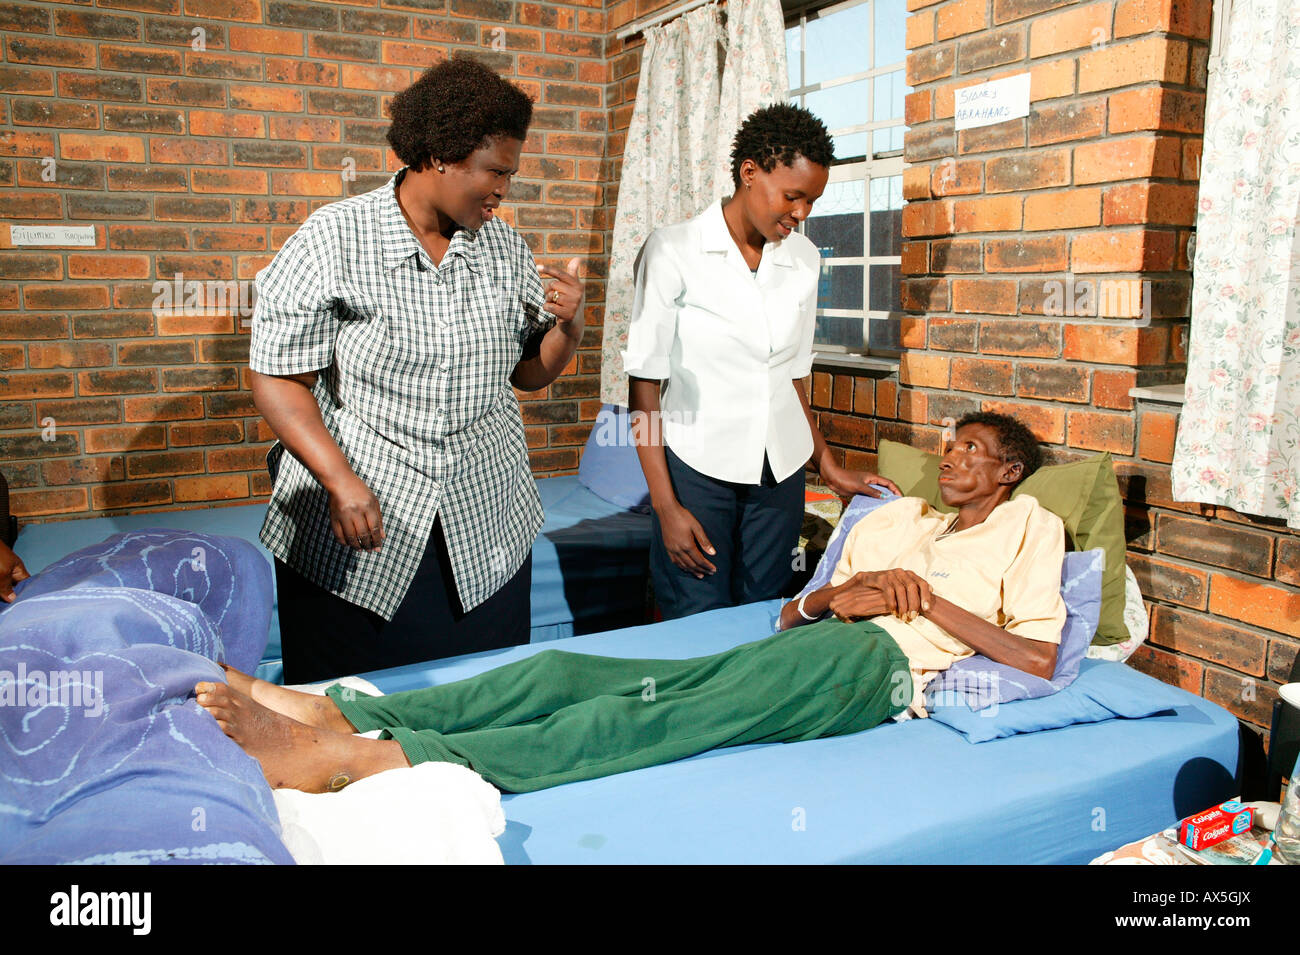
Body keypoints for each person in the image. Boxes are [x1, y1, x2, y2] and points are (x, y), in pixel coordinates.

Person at [195, 413, 1066, 795]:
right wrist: (842, 590)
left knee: (648, 722)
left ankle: (375, 759)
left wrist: (921, 601)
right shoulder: (898, 513)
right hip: (818, 639)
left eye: (974, 450)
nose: (950, 457)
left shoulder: (1030, 526)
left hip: (876, 668)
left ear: (1009, 473)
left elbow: (1038, 659)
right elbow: (787, 614)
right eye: (948, 444)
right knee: (568, 667)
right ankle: (332, 704)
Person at [248, 58, 585, 683]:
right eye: (495, 171)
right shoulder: (334, 238)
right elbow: (276, 377)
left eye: (510, 173)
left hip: (485, 515)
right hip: (364, 512)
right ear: (440, 156)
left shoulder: (504, 246)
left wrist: (568, 330)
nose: (503, 189)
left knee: (479, 694)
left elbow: (528, 375)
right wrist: (340, 481)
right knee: (350, 705)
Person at [622, 103, 900, 621]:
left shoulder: (804, 259)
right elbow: (644, 389)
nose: (801, 214)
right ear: (750, 172)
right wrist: (665, 506)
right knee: (696, 620)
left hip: (782, 474)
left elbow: (793, 378)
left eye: (812, 201)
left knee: (769, 614)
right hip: (698, 468)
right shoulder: (674, 251)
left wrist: (829, 465)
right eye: (793, 196)